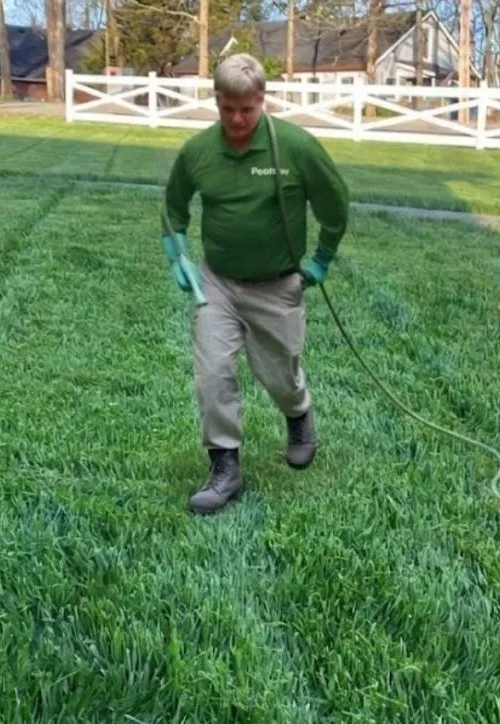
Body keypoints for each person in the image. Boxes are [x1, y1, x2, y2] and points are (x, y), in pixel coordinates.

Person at [161, 53, 350, 515]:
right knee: (212, 374)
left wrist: (322, 259)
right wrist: (177, 257)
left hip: (276, 285)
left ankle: (299, 414)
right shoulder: (198, 152)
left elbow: (335, 205)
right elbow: (174, 210)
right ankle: (225, 468)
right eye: (228, 109)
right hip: (218, 284)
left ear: (262, 100)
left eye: (247, 109)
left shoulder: (296, 147)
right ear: (217, 101)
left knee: (279, 376)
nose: (237, 119)